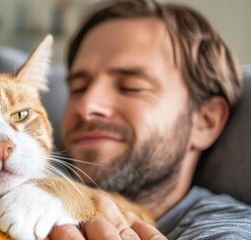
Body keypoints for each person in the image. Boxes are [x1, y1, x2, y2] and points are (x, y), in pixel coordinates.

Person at [50, 0, 251, 239]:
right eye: (79, 88)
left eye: (131, 87)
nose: (85, 106)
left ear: (205, 121)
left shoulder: (227, 227)